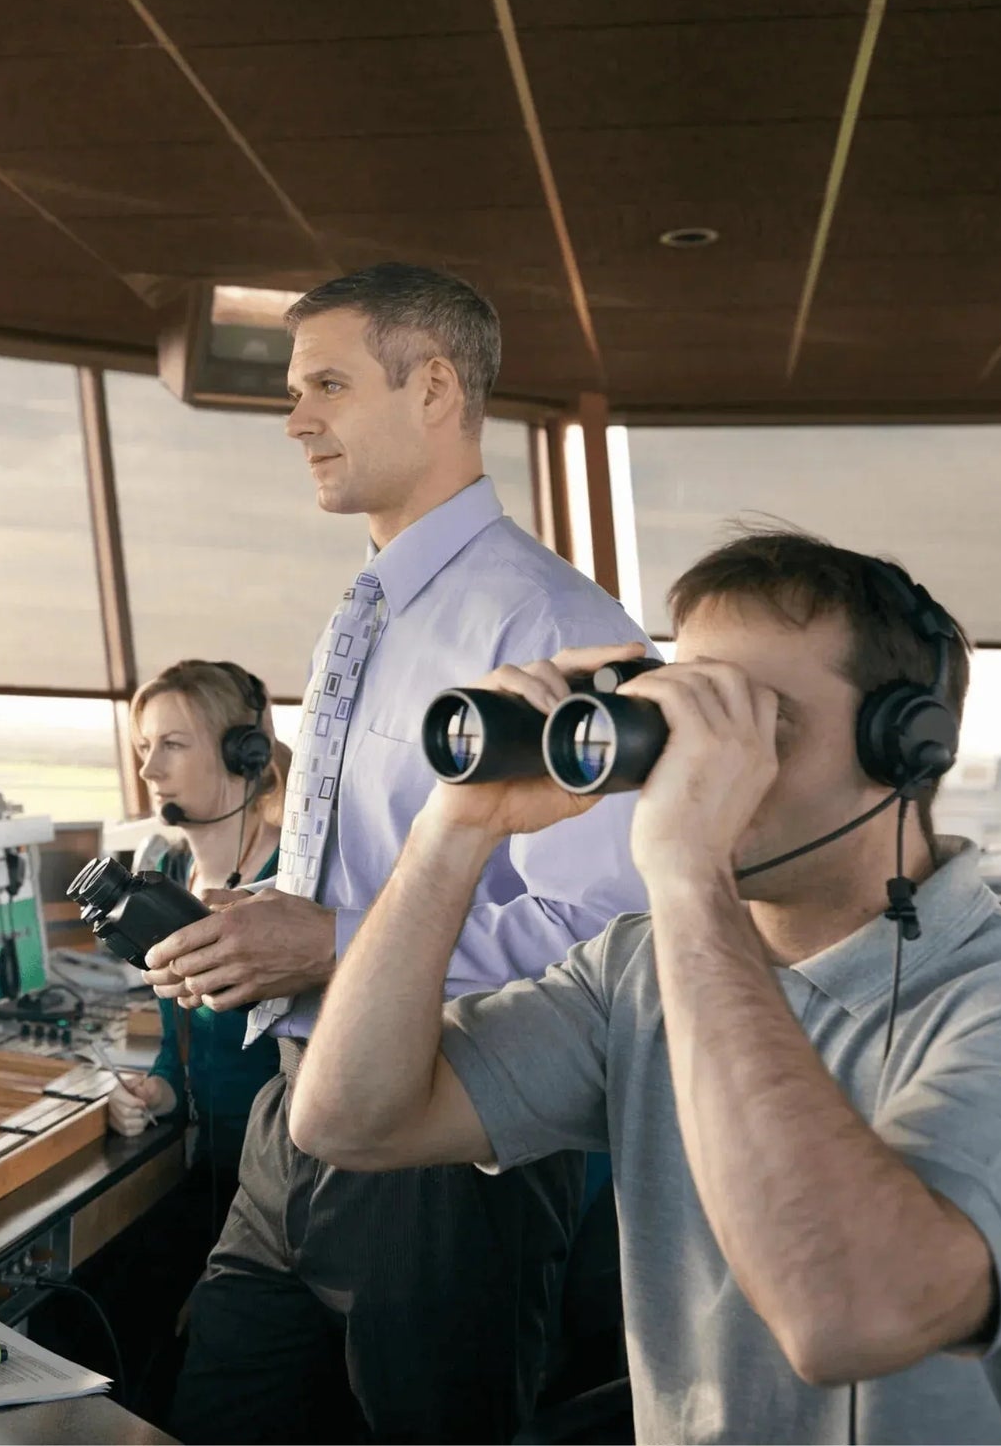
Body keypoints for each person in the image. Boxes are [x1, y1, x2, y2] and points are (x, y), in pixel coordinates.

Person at [292, 531, 1001, 1445]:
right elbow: (349, 1119)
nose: (700, 761)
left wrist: (688, 871)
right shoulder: (638, 966)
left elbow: (848, 1313)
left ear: (905, 750)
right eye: (687, 714)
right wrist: (455, 831)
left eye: (754, 723)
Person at [147, 264, 651, 1444]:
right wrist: (271, 918)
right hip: (297, 1113)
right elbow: (363, 866)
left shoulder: (554, 629)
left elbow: (604, 935)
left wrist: (326, 945)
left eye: (327, 382)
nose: (295, 419)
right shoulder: (366, 613)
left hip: (446, 1147)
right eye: (293, 388)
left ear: (433, 390)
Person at [108, 659, 286, 1191]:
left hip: (286, 1171)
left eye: (174, 745)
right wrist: (159, 1089)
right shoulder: (166, 875)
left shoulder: (297, 880)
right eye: (145, 746)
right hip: (210, 1165)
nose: (148, 771)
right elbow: (178, 1043)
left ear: (242, 754)